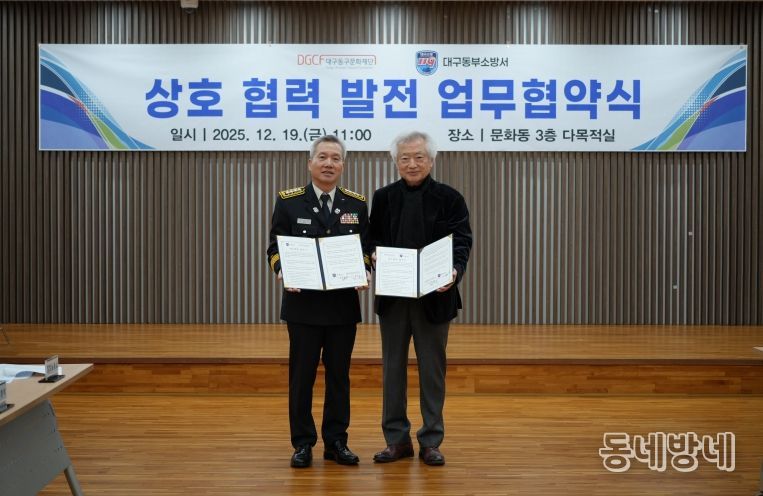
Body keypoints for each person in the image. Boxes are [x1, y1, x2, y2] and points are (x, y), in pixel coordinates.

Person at [267, 135, 371, 468]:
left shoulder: (356, 204)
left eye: (335, 158)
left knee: (339, 377)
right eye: (322, 157)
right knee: (302, 378)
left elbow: (365, 249)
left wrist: (364, 270)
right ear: (310, 162)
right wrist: (283, 270)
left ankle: (336, 442)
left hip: (342, 307)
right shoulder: (289, 201)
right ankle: (302, 443)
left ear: (343, 165)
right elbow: (275, 248)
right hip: (303, 306)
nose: (329, 164)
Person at [369, 131, 472, 466]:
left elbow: (462, 241)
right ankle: (396, 440)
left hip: (435, 298)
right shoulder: (383, 197)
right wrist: (374, 255)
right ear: (395, 162)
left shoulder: (450, 198)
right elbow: (372, 239)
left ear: (431, 160)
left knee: (432, 372)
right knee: (392, 371)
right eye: (405, 158)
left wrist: (455, 270)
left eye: (418, 157)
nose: (412, 164)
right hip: (394, 299)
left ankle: (431, 440)